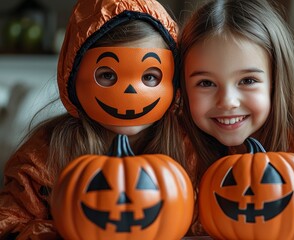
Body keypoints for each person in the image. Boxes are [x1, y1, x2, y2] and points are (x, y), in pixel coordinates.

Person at [177, 0, 294, 238]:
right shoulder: (179, 141)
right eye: (206, 83)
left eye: (248, 80)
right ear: (182, 88)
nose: (228, 101)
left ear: (275, 81)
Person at [0, 0, 182, 238]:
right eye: (107, 75)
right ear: (73, 77)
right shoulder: (45, 153)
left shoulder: (185, 146)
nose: (130, 93)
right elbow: (9, 222)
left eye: (149, 76)